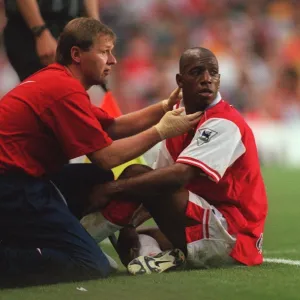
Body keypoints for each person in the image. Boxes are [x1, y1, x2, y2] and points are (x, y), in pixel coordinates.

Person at [0, 17, 202, 284]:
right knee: (91, 265)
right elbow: (106, 157)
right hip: (14, 186)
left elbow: (113, 126)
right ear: (77, 55)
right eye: (105, 51)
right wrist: (161, 131)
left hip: (22, 180)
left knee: (99, 180)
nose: (113, 60)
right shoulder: (64, 91)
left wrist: (164, 107)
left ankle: (52, 235)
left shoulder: (58, 82)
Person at [85, 47, 268, 275]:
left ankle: (83, 240)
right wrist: (130, 223)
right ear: (180, 81)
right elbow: (155, 186)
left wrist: (112, 188)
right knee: (135, 237)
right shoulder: (179, 122)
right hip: (213, 226)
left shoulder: (224, 122)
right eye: (197, 72)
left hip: (234, 236)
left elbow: (178, 176)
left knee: (135, 174)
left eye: (213, 73)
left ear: (219, 80)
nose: (206, 80)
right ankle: (155, 258)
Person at [3, 0, 101, 81]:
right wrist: (40, 33)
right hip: (31, 28)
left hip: (72, 24)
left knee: (70, 94)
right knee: (44, 95)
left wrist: (96, 30)